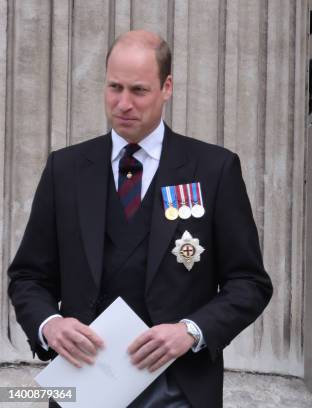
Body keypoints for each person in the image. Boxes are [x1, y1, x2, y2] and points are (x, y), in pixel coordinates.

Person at [7, 30, 273, 408]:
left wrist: (191, 331)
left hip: (179, 388)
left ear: (167, 87)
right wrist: (50, 325)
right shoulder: (65, 169)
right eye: (114, 87)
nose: (123, 103)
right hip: (85, 385)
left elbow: (249, 282)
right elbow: (29, 277)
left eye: (138, 90)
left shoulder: (214, 169)